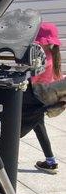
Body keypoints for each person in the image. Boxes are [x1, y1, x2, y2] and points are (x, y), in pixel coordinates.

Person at [21, 22, 63, 174]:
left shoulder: (40, 58)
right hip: (41, 99)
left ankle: (1, 157)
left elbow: (27, 76)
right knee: (39, 127)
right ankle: (50, 161)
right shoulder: (53, 55)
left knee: (13, 130)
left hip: (33, 99)